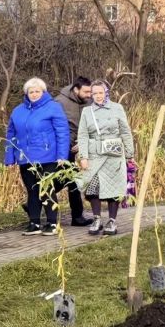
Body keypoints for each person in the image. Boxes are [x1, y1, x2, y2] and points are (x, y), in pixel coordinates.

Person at [5, 77, 70, 236]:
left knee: (47, 190)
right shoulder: (18, 110)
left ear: (43, 92)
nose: (34, 94)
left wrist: (62, 155)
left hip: (46, 156)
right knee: (32, 190)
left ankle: (52, 222)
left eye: (37, 91)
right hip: (25, 158)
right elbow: (11, 134)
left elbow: (62, 133)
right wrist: (9, 157)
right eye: (31, 92)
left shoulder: (53, 108)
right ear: (26, 93)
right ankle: (34, 222)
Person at [76, 79, 135, 235]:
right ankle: (96, 218)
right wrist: (83, 156)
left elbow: (125, 131)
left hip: (113, 154)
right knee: (92, 188)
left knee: (113, 188)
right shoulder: (87, 112)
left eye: (100, 93)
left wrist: (129, 154)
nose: (98, 96)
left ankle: (112, 221)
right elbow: (82, 135)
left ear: (106, 93)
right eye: (94, 93)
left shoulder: (117, 108)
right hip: (94, 154)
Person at [54, 76, 93, 226]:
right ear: (76, 89)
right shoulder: (59, 102)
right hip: (64, 148)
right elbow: (56, 127)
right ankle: (77, 217)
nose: (89, 95)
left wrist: (83, 142)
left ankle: (36, 199)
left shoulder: (88, 102)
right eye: (86, 91)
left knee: (71, 180)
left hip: (80, 145)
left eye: (90, 91)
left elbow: (90, 125)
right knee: (72, 180)